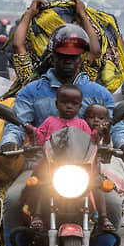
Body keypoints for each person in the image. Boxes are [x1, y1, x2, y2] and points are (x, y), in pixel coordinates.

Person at [0, 24, 124, 246]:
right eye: (63, 55)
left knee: (114, 204)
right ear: (53, 55)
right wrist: (10, 141)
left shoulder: (98, 93)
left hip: (86, 170)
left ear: (81, 58)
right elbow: (16, 124)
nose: (68, 61)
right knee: (14, 199)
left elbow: (116, 125)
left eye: (73, 57)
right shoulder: (32, 90)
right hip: (40, 167)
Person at [21, 84, 112, 233]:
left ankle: (102, 216)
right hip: (52, 167)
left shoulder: (82, 124)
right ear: (57, 104)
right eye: (65, 102)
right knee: (41, 184)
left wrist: (100, 131)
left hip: (78, 168)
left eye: (74, 104)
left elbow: (91, 141)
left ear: (79, 106)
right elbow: (39, 138)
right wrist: (31, 131)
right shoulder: (49, 121)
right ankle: (36, 215)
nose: (69, 106)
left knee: (98, 184)